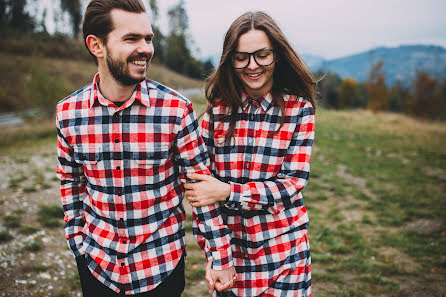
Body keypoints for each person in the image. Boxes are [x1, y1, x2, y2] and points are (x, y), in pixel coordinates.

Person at [56, 0, 235, 296]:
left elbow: (200, 189)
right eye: (131, 39)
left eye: (148, 38)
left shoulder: (176, 110)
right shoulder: (69, 113)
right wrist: (77, 245)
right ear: (96, 45)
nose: (146, 49)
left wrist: (219, 255)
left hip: (160, 268)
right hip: (97, 267)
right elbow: (71, 183)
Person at [185, 11, 317, 297]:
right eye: (241, 57)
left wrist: (228, 192)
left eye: (262, 55)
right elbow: (201, 193)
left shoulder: (298, 111)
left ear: (277, 56)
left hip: (284, 256)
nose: (252, 65)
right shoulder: (214, 116)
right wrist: (216, 255)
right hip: (230, 261)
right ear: (230, 60)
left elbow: (291, 183)